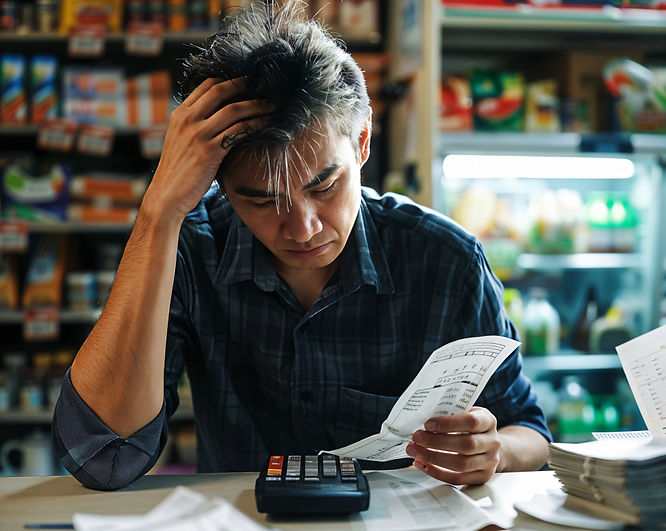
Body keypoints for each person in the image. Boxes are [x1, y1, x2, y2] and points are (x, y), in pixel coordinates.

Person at [52, 1, 550, 491]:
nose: (302, 228)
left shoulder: (446, 259)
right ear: (218, 184)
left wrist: (495, 450)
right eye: (262, 201)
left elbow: (529, 428)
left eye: (324, 186)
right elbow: (102, 459)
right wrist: (159, 212)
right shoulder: (191, 246)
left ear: (362, 143)